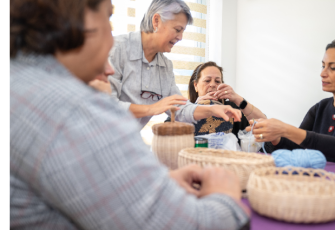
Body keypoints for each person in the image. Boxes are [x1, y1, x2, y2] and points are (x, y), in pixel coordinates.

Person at [10, 0, 250, 229]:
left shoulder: (20, 81)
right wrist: (226, 196)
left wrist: (211, 109)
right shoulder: (75, 107)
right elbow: (184, 223)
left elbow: (178, 105)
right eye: (108, 17)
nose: (109, 70)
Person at [247, 36, 335, 167]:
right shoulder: (320, 107)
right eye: (323, 66)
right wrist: (275, 137)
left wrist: (284, 129)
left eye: (333, 68)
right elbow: (297, 146)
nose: (323, 73)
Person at [108, 0, 242, 129]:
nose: (180, 37)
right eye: (178, 29)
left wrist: (213, 109)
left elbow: (180, 109)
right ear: (156, 21)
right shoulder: (116, 49)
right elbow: (105, 104)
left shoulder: (165, 66)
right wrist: (152, 108)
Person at [168, 61, 266, 141]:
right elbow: (167, 134)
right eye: (207, 81)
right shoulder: (185, 109)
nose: (212, 85)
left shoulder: (231, 109)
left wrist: (238, 99)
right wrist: (197, 106)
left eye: (217, 81)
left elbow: (264, 124)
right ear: (195, 85)